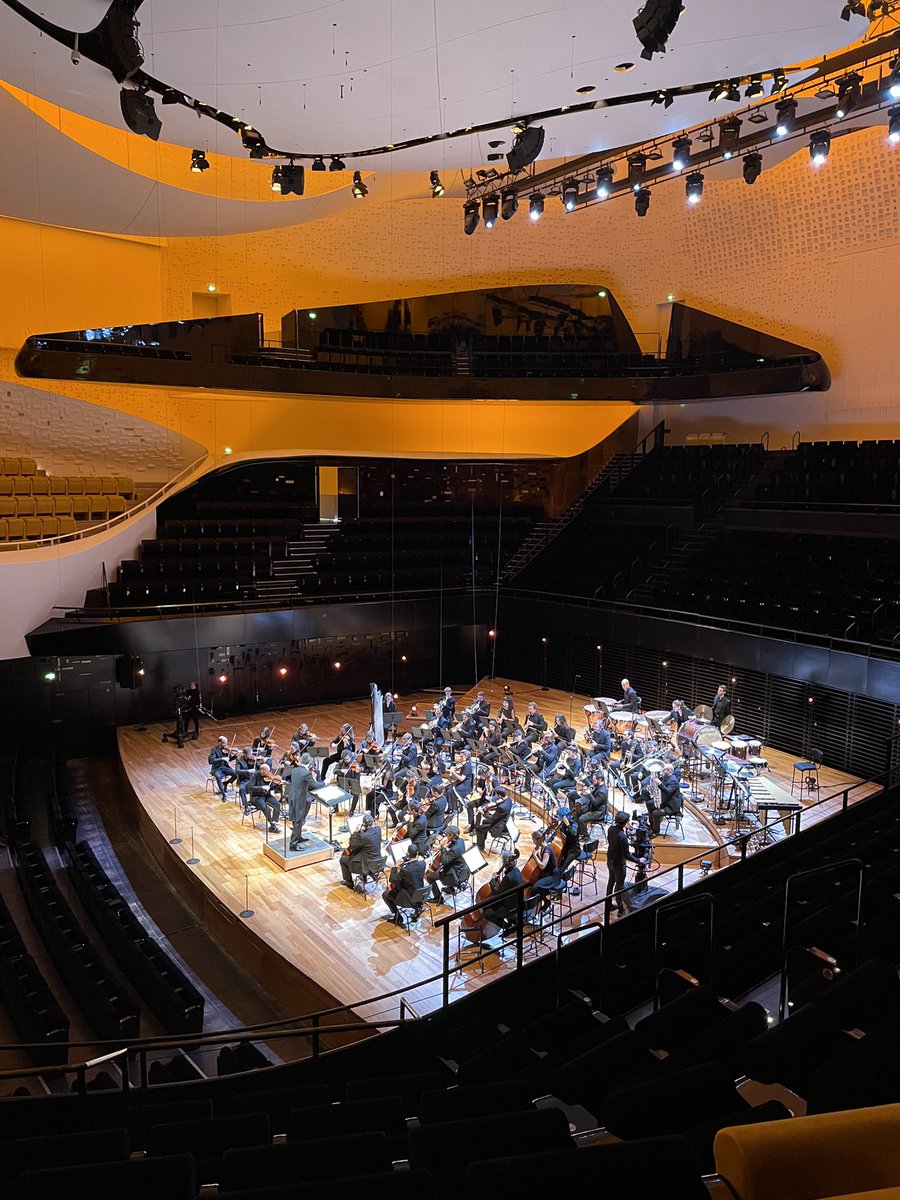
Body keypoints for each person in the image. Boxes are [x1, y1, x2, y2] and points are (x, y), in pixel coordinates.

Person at [605, 811, 643, 916]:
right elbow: (627, 855)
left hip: (610, 860)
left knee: (611, 882)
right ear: (625, 822)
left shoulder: (611, 829)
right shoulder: (622, 837)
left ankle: (608, 905)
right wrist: (638, 860)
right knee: (619, 886)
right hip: (618, 864)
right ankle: (621, 909)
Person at [425, 826, 470, 903]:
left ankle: (438, 898)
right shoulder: (460, 840)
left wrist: (443, 848)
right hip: (462, 870)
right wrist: (439, 848)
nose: (446, 836)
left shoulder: (455, 850)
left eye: (448, 835)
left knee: (429, 877)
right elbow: (451, 845)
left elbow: (444, 862)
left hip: (454, 875)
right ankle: (450, 888)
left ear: (453, 835)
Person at [383, 846, 427, 924]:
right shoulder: (423, 864)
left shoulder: (406, 870)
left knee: (385, 894)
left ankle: (398, 917)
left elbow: (392, 880)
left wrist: (395, 867)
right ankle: (417, 909)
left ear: (407, 854)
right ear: (417, 854)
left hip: (409, 898)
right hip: (420, 895)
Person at [340, 812, 385, 889]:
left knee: (343, 859)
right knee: (363, 851)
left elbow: (352, 845)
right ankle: (368, 876)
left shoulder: (363, 836)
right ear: (373, 822)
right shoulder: (378, 830)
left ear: (364, 824)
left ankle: (349, 883)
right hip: (378, 861)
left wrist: (355, 833)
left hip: (366, 865)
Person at [484, 849, 525, 930]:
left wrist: (492, 880)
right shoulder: (517, 870)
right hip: (518, 901)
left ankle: (507, 927)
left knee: (487, 914)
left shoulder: (508, 878)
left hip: (511, 906)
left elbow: (497, 893)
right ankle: (511, 921)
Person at [287, 751, 316, 849]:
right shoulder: (306, 773)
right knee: (298, 821)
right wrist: (326, 781)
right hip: (299, 799)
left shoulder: (295, 770)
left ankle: (298, 837)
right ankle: (293, 844)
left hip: (293, 797)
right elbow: (316, 785)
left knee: (298, 819)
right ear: (308, 763)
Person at [475, 786, 512, 851]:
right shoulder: (509, 799)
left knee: (478, 829)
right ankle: (482, 841)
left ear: (500, 796)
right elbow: (500, 806)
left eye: (496, 795)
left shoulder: (502, 808)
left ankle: (480, 847)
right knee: (484, 821)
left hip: (498, 826)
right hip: (502, 820)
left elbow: (492, 818)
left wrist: (483, 813)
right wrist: (496, 803)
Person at [650, 765, 683, 836]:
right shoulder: (666, 777)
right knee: (650, 804)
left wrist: (660, 783)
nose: (662, 771)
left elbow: (668, 792)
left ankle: (656, 832)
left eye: (664, 770)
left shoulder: (673, 780)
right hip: (666, 801)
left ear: (669, 771)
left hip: (671, 806)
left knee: (656, 813)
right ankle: (652, 826)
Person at [208, 735, 238, 801]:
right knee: (218, 777)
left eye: (226, 743)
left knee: (236, 774)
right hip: (216, 768)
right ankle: (223, 794)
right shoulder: (214, 750)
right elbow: (212, 760)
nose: (226, 745)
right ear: (219, 743)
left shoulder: (226, 750)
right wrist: (221, 759)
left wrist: (234, 757)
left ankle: (226, 783)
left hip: (225, 767)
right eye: (224, 743)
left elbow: (229, 759)